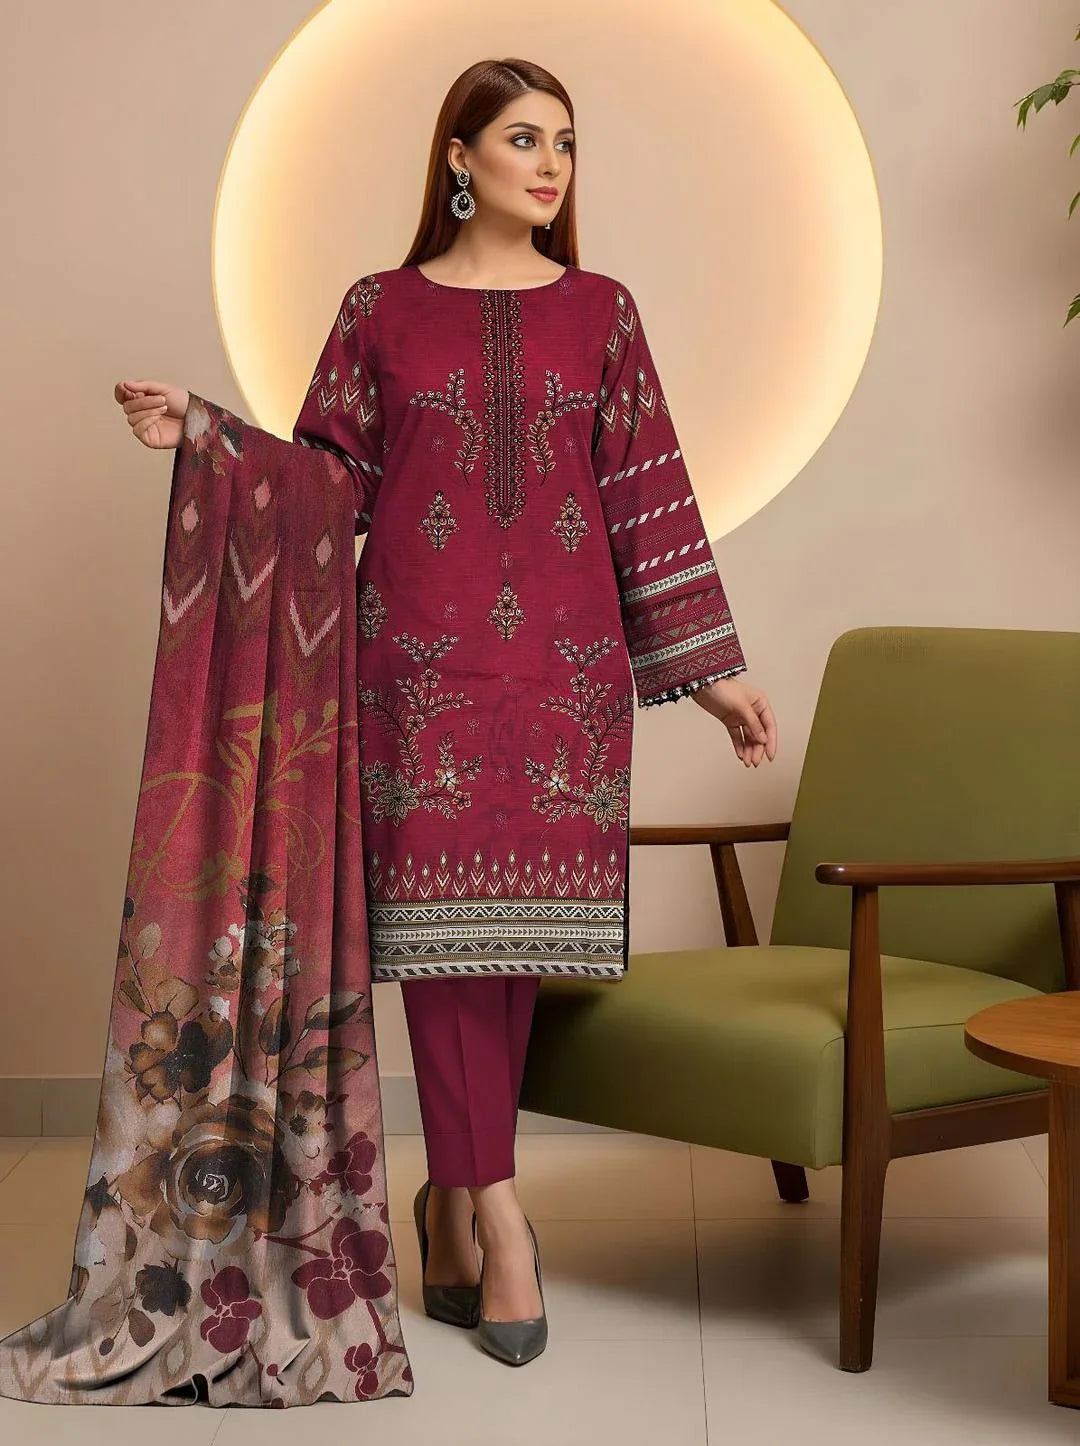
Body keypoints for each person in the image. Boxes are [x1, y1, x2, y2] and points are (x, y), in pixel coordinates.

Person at [114, 56, 778, 1369]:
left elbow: (647, 495)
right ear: (458, 158)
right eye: (524, 139)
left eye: (567, 146)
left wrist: (714, 674)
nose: (550, 166)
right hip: (414, 673)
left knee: (509, 942)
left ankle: (456, 1197)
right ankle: (498, 1210)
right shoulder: (381, 311)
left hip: (569, 681)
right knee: (450, 941)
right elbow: (324, 488)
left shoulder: (604, 312)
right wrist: (208, 435)